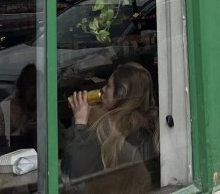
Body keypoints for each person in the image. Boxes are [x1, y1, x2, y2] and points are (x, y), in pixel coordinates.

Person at [62, 63, 159, 194]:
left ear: (120, 94)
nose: (102, 90)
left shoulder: (112, 131)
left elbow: (74, 171)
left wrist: (80, 122)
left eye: (108, 86)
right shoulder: (147, 127)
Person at [0, 64, 38, 149]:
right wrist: (23, 129)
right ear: (23, 88)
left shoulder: (44, 104)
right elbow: (1, 142)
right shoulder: (7, 107)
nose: (35, 99)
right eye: (33, 94)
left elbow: (61, 137)